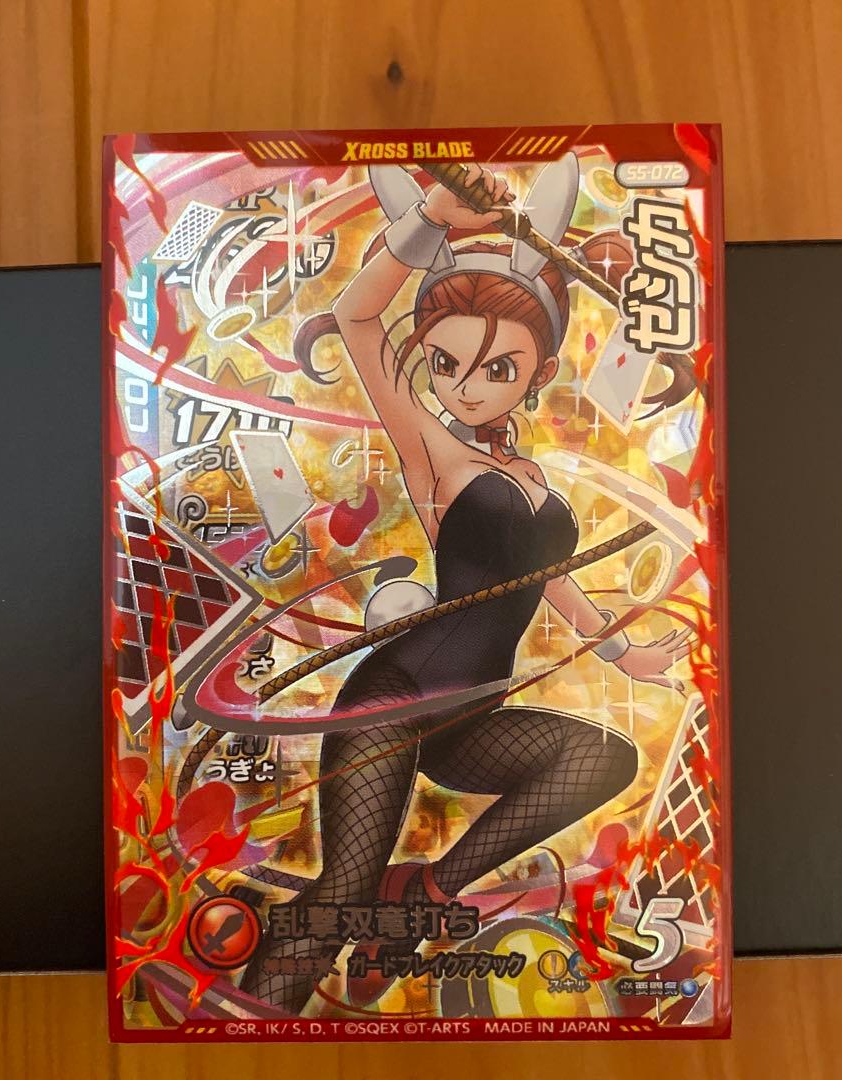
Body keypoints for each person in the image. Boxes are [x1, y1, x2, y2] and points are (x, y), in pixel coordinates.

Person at [240, 157, 687, 1013]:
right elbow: (356, 315)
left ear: (539, 373)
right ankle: (243, 1029)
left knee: (602, 758)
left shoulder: (534, 478)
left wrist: (623, 653)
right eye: (446, 364)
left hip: (471, 711)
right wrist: (433, 219)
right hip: (394, 698)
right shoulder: (434, 452)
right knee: (341, 893)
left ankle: (427, 893)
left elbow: (550, 581)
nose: (466, 387)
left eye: (497, 370)